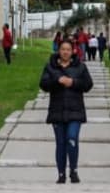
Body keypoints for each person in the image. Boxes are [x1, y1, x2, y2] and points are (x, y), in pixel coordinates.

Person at [39, 40, 93, 184]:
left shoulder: (80, 67)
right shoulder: (51, 67)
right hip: (57, 111)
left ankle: (73, 171)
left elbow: (88, 85)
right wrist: (58, 81)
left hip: (75, 111)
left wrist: (73, 82)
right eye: (63, 49)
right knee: (60, 143)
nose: (65, 52)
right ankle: (61, 174)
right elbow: (43, 84)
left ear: (73, 51)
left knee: (72, 138)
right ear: (59, 50)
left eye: (68, 49)